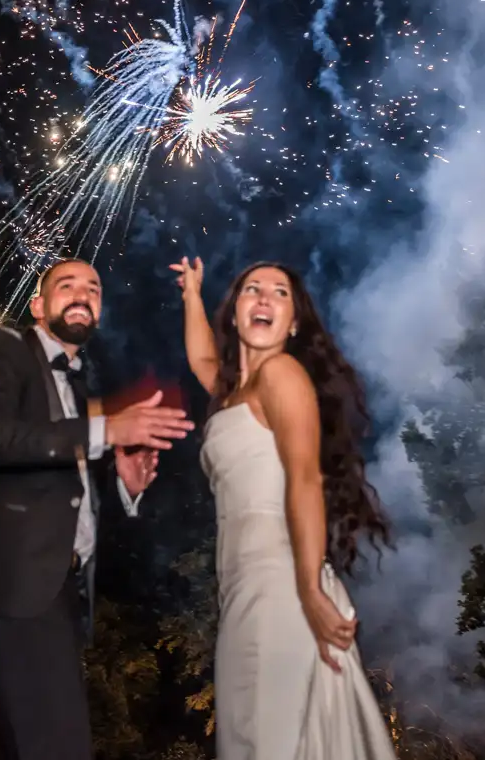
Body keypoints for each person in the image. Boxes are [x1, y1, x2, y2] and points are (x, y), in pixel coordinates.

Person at [0, 258, 194, 760]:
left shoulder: (79, 389)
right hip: (10, 586)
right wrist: (106, 430)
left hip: (56, 596)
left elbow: (71, 504)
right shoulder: (1, 346)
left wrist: (124, 486)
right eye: (67, 285)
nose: (82, 294)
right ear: (37, 305)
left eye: (93, 289)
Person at [170, 256, 397, 760]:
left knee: (270, 740)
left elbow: (305, 479)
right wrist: (191, 295)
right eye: (252, 289)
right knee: (252, 739)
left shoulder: (281, 373)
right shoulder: (235, 393)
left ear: (293, 323)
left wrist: (309, 588)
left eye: (280, 292)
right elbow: (202, 360)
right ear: (235, 313)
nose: (264, 298)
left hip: (281, 582)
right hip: (242, 587)